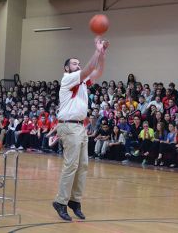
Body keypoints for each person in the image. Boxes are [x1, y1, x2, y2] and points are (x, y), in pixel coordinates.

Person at [52, 37, 109, 221]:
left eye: (78, 63)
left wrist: (102, 54)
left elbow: (98, 71)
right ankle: (60, 202)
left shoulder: (82, 81)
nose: (77, 65)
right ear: (67, 68)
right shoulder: (68, 79)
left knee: (83, 166)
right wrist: (97, 50)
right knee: (71, 165)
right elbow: (88, 69)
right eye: (74, 63)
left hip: (80, 127)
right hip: (69, 126)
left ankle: (74, 201)